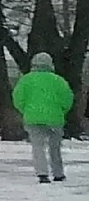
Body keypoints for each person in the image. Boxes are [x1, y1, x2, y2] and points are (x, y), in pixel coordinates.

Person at [12, 53, 75, 184]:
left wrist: (25, 110)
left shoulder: (26, 80)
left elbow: (18, 98)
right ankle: (58, 173)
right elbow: (67, 99)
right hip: (55, 118)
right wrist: (62, 111)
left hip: (33, 118)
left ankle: (42, 173)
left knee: (38, 147)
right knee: (55, 147)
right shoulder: (59, 80)